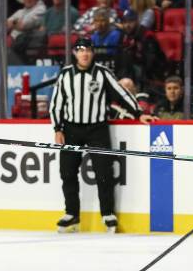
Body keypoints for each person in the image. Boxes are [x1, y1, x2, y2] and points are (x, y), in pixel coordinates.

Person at [50, 37, 155, 234]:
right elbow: (56, 103)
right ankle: (72, 213)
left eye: (88, 50)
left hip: (97, 129)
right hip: (71, 129)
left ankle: (108, 214)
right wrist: (58, 128)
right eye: (80, 50)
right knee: (67, 172)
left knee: (104, 173)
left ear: (92, 52)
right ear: (75, 53)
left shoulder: (102, 73)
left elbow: (122, 95)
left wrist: (139, 113)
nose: (84, 54)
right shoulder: (65, 75)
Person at [118, 8, 167, 90]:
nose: (127, 25)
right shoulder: (124, 35)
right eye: (125, 22)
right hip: (133, 68)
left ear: (137, 21)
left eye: (130, 22)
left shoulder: (147, 35)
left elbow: (151, 59)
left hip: (150, 70)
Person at [6, 0, 47, 64]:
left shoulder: (41, 9)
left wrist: (14, 23)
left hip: (29, 46)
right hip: (16, 46)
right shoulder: (21, 11)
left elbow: (23, 25)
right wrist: (16, 23)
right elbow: (5, 25)